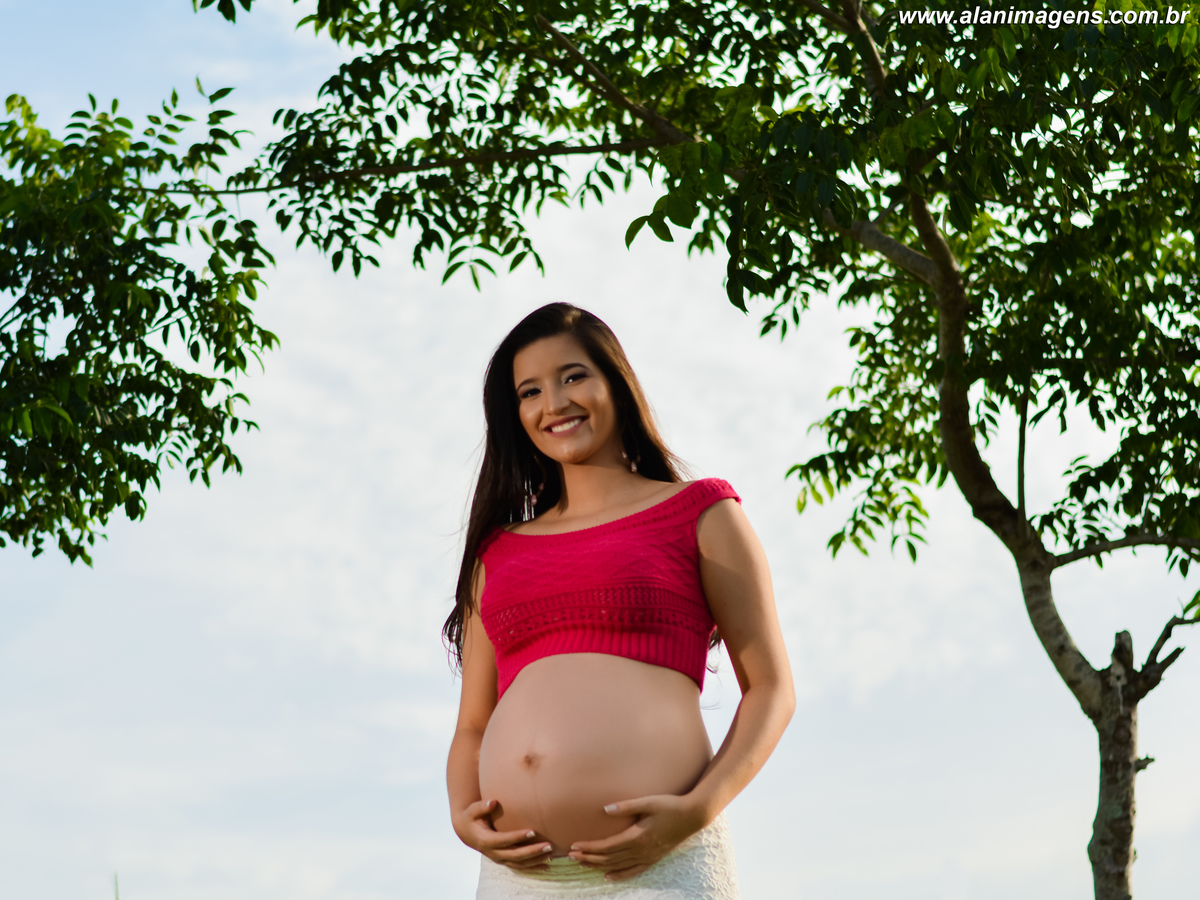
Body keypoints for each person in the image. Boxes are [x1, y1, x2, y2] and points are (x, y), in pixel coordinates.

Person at [444, 303, 795, 899]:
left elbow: (771, 689)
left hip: (659, 868)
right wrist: (462, 815)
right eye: (530, 391)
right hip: (519, 879)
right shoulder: (497, 554)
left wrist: (699, 808)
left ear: (616, 383)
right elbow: (473, 725)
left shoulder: (702, 513)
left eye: (573, 376)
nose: (554, 403)